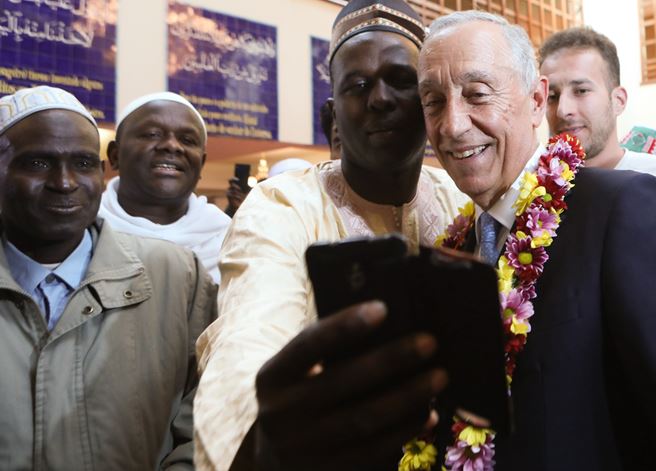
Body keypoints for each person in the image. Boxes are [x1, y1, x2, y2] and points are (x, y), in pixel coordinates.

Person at [417, 11, 656, 469]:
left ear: (536, 100)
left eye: (476, 94)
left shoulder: (624, 210)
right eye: (433, 101)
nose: (452, 124)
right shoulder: (455, 248)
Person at [193, 1, 467, 469]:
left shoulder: (460, 197)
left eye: (400, 80)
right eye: (357, 86)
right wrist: (259, 444)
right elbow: (249, 340)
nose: (380, 98)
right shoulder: (284, 206)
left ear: (429, 99)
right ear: (333, 115)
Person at [0, 86, 217, 468]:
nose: (65, 182)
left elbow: (206, 415)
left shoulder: (178, 276)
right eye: (37, 163)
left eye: (83, 164)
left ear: (102, 173)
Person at [538, 27, 656, 228]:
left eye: (581, 91)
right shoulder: (535, 190)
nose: (562, 110)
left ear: (618, 101)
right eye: (552, 97)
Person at [98, 92, 231, 283]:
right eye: (153, 134)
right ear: (115, 155)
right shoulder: (82, 231)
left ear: (201, 163)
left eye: (187, 140)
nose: (171, 145)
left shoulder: (229, 240)